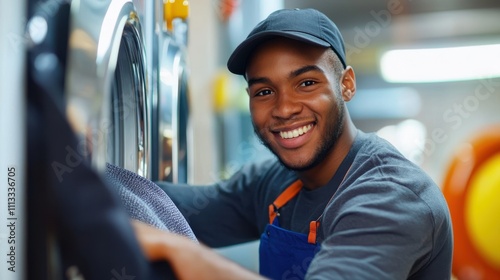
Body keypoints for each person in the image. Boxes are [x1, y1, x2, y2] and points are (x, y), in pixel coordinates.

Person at [132, 8, 453, 279]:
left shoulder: (392, 197)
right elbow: (163, 206)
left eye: (307, 83)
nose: (284, 108)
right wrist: (85, 175)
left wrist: (184, 253)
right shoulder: (275, 183)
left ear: (346, 85)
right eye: (264, 92)